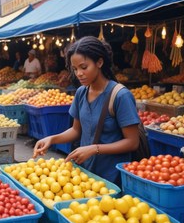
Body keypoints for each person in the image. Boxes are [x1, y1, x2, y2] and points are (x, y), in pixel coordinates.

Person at [33, 36, 140, 185]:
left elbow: (132, 142)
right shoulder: (81, 92)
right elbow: (76, 130)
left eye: (84, 67)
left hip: (112, 178)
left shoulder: (120, 96)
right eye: (75, 69)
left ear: (100, 62)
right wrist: (52, 139)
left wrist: (94, 149)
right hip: (85, 175)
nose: (79, 74)